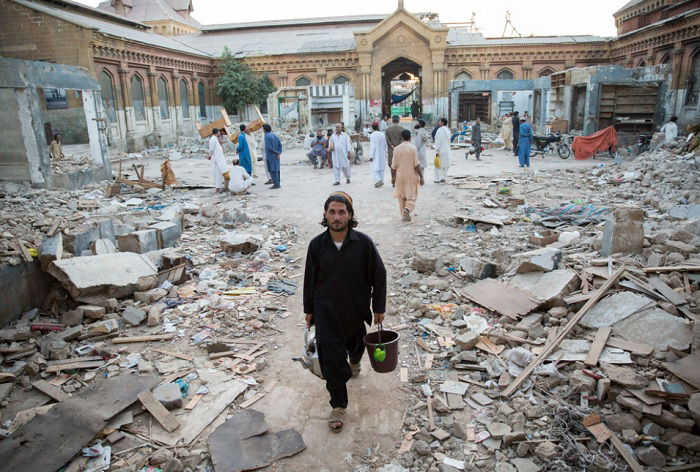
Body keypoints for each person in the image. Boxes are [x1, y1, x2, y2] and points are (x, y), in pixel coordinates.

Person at [303, 191, 386, 433]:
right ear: (325, 215)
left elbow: (378, 275)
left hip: (354, 308)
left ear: (350, 215)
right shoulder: (316, 245)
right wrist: (309, 309)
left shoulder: (364, 243)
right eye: (332, 212)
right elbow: (310, 279)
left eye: (342, 212)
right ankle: (338, 405)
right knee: (332, 361)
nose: (337, 217)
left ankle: (356, 359)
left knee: (356, 344)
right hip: (325, 311)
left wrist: (378, 307)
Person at [391, 129, 424, 221]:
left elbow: (393, 166)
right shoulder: (413, 148)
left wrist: (393, 177)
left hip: (399, 175)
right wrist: (421, 176)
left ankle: (403, 215)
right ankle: (407, 209)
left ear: (401, 138)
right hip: (411, 175)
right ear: (410, 137)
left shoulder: (396, 149)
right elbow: (416, 164)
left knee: (402, 196)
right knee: (412, 195)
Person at [263, 124, 282, 189]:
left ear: (264, 129)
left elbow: (269, 148)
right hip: (276, 155)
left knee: (272, 170)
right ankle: (278, 183)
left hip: (271, 155)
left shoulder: (266, 136)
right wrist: (278, 152)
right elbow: (280, 145)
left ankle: (276, 184)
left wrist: (276, 152)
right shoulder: (275, 135)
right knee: (277, 169)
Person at [208, 128, 228, 193]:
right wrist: (210, 155)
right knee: (217, 174)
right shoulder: (212, 140)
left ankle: (219, 187)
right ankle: (218, 188)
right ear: (218, 132)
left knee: (220, 173)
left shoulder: (215, 139)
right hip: (216, 159)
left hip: (219, 159)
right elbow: (211, 149)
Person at [385, 115, 404, 179]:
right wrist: (398, 146)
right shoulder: (402, 129)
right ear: (399, 120)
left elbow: (387, 140)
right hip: (400, 149)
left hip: (391, 149)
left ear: (392, 120)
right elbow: (403, 140)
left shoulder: (387, 129)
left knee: (392, 164)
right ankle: (399, 179)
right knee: (400, 164)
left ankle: (393, 179)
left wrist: (393, 147)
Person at [369, 122, 387, 187]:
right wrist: (385, 153)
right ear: (378, 127)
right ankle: (381, 181)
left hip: (375, 154)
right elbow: (385, 144)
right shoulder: (382, 134)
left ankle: (379, 180)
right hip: (382, 153)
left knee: (375, 169)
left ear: (372, 127)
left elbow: (372, 146)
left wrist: (371, 156)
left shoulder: (372, 135)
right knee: (381, 168)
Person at [433, 117, 451, 183]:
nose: (439, 122)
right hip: (447, 150)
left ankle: (437, 179)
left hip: (440, 150)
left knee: (438, 164)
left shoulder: (439, 130)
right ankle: (443, 178)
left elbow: (438, 141)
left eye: (440, 121)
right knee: (445, 165)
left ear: (442, 123)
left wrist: (437, 151)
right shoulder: (448, 130)